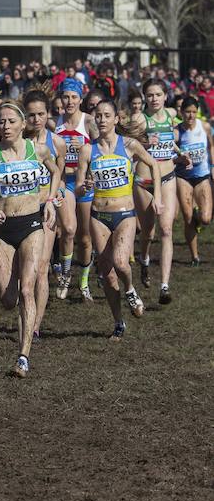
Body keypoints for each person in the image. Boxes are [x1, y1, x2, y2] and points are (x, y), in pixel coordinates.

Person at [0, 102, 60, 378]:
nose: (4, 126)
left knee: (27, 289)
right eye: (1, 121)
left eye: (9, 121)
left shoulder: (38, 150)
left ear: (22, 124)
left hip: (31, 225)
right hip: (3, 229)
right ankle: (11, 287)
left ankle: (23, 356)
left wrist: (51, 200)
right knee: (8, 299)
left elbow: (55, 172)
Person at [75, 99, 160, 338]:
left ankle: (131, 290)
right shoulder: (87, 150)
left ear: (116, 119)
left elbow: (153, 164)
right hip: (98, 216)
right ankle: (118, 322)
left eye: (106, 115)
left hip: (125, 214)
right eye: (98, 116)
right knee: (108, 273)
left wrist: (158, 197)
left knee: (121, 263)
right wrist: (85, 187)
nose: (101, 120)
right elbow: (79, 188)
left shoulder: (130, 145)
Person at [22, 90, 67, 338]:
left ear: (48, 114)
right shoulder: (16, 141)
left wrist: (55, 193)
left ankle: (35, 326)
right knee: (22, 270)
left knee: (41, 267)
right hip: (20, 212)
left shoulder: (57, 142)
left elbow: (59, 176)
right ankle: (25, 310)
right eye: (31, 115)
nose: (36, 119)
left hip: (44, 209)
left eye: (41, 114)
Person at [134, 79, 179, 303]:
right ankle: (143, 259)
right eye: (150, 95)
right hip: (145, 180)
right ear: (145, 97)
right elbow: (126, 145)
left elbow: (170, 140)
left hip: (168, 177)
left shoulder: (172, 114)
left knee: (167, 229)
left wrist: (181, 153)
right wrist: (143, 140)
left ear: (165, 95)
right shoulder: (140, 118)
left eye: (158, 94)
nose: (154, 99)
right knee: (148, 232)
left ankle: (164, 286)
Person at [54, 78, 98, 302]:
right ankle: (65, 274)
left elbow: (102, 151)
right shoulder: (55, 123)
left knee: (86, 238)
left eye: (73, 97)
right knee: (69, 230)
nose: (69, 101)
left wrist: (87, 149)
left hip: (85, 182)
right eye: (66, 96)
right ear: (60, 98)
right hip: (64, 182)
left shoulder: (89, 122)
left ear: (81, 99)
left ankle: (84, 282)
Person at [173, 97, 212, 266]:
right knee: (188, 217)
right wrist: (178, 160)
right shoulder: (176, 132)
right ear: (182, 112)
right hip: (184, 177)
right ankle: (194, 256)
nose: (190, 116)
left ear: (198, 112)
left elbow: (211, 145)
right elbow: (168, 157)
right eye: (187, 112)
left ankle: (199, 215)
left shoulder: (204, 127)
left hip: (202, 175)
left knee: (205, 219)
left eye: (194, 112)